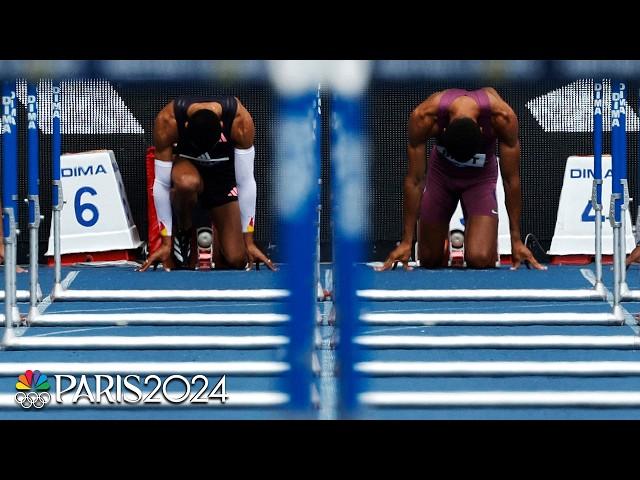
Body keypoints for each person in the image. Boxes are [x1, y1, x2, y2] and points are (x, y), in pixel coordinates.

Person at [377, 87, 544, 271]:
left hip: (480, 179)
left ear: (482, 130)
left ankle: (481, 243)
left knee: (479, 259)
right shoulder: (424, 117)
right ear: (444, 129)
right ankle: (441, 243)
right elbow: (415, 180)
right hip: (441, 176)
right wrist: (406, 241)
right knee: (429, 260)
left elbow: (511, 180)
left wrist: (516, 240)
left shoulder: (502, 117)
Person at [139, 94, 275, 272]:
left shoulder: (240, 121)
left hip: (223, 178)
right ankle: (184, 231)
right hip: (188, 170)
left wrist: (248, 242)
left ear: (221, 126)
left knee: (237, 259)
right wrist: (165, 242)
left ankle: (216, 229)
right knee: (186, 183)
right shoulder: (168, 121)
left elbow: (246, 182)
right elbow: (162, 183)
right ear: (185, 127)